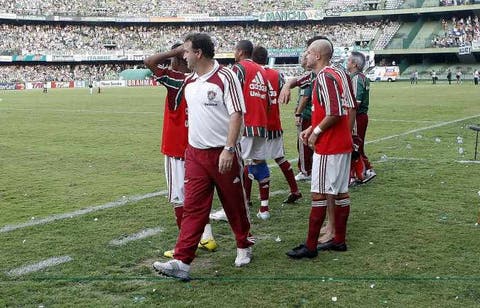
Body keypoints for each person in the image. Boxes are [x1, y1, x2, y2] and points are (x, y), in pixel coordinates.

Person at [153, 33, 253, 281]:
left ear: (198, 53)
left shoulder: (225, 77)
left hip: (222, 152)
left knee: (234, 204)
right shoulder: (190, 82)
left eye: (185, 51)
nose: (183, 56)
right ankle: (182, 262)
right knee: (193, 209)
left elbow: (237, 114)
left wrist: (229, 148)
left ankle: (244, 244)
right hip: (195, 154)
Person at [144, 43, 217, 259]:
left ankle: (184, 245)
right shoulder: (200, 81)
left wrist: (176, 51)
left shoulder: (178, 81)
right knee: (198, 198)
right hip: (198, 148)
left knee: (180, 199)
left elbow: (149, 61)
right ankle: (207, 237)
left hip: (176, 149)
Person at [286, 39, 353, 259]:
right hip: (341, 143)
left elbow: (335, 112)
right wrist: (313, 128)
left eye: (307, 52)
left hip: (329, 145)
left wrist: (315, 133)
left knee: (319, 193)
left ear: (317, 55)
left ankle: (311, 246)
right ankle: (339, 240)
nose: (305, 56)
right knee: (340, 192)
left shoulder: (325, 76)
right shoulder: (335, 72)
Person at [252, 45, 302, 204]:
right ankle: (295, 189)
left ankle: (249, 200)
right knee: (279, 157)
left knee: (252, 160)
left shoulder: (252, 73)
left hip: (257, 124)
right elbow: (282, 94)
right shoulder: (277, 74)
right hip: (274, 122)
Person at [233, 40, 271, 220]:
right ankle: (264, 209)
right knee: (259, 162)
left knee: (242, 165)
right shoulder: (262, 71)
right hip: (262, 123)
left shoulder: (239, 69)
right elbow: (269, 99)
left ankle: (243, 205)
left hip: (245, 123)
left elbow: (231, 95)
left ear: (240, 52)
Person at [346, 51, 376, 184]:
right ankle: (359, 172)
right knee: (356, 145)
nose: (347, 63)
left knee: (355, 145)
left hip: (357, 116)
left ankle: (365, 170)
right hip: (360, 116)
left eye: (349, 61)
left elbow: (356, 102)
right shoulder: (360, 77)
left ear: (355, 64)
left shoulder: (357, 78)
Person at [294, 54, 314, 182]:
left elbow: (305, 97)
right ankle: (311, 168)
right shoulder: (315, 75)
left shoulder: (307, 77)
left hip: (306, 114)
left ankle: (305, 171)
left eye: (304, 58)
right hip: (314, 114)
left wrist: (298, 113)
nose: (302, 60)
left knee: (303, 143)